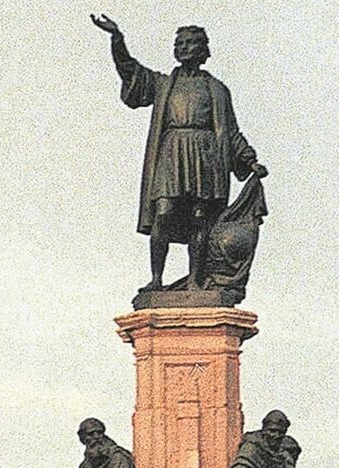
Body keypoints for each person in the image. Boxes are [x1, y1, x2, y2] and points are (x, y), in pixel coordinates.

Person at [91, 15, 267, 293]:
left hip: (204, 156)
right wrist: (117, 39)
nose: (184, 48)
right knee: (163, 212)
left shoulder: (217, 89)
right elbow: (131, 71)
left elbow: (231, 131)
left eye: (190, 43)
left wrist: (249, 159)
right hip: (172, 153)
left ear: (203, 50)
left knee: (200, 219)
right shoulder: (163, 84)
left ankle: (195, 280)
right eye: (180, 44)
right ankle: (156, 278)